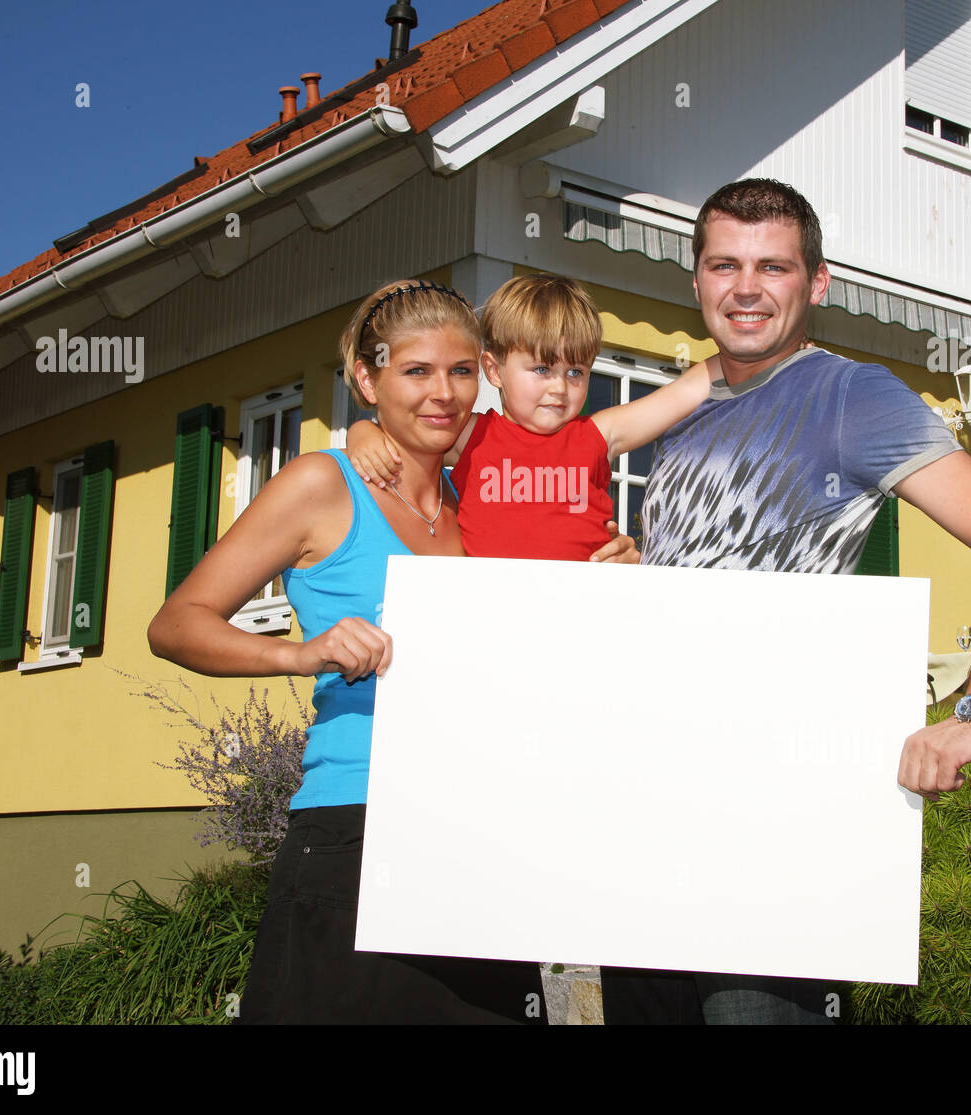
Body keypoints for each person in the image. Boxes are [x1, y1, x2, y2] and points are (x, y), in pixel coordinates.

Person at [600, 178, 971, 1025]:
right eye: (724, 264)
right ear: (695, 279)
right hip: (657, 809)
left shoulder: (853, 395)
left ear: (817, 283)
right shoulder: (687, 409)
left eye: (773, 267)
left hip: (778, 816)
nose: (745, 288)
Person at [147, 278, 639, 1024]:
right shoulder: (322, 482)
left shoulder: (479, 496)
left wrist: (608, 570)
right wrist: (303, 653)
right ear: (366, 379)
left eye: (461, 370)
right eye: (415, 371)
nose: (443, 393)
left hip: (479, 826)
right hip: (356, 824)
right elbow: (176, 622)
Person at [346, 272, 720, 560]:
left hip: (581, 617)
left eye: (576, 372)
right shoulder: (470, 435)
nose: (559, 387)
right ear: (493, 370)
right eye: (542, 369)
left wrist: (760, 349)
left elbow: (683, 393)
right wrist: (362, 431)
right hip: (495, 625)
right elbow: (403, 437)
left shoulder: (596, 435)